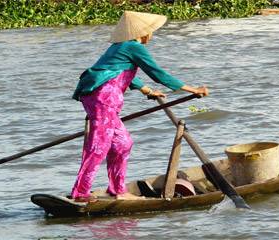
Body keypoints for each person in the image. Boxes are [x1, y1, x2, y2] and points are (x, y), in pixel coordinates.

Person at [70, 11, 209, 202]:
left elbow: (118, 71)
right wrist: (192, 89)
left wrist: (147, 90)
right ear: (143, 32)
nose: (151, 35)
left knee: (122, 144)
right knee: (99, 145)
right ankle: (80, 193)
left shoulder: (119, 47)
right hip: (103, 98)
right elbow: (157, 73)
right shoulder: (134, 47)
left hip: (101, 97)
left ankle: (117, 190)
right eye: (151, 32)